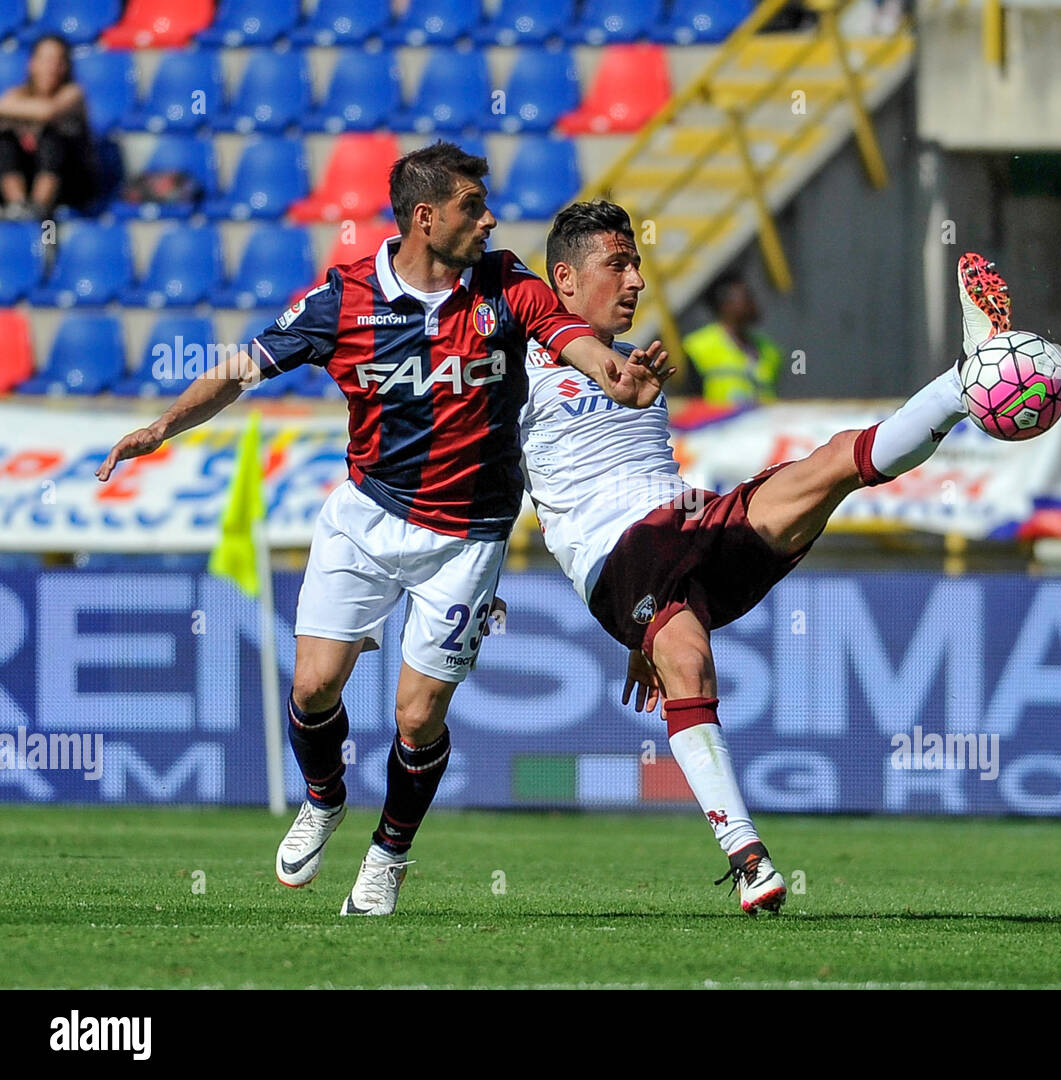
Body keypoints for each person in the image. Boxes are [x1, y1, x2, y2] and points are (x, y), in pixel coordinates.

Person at [96, 144, 671, 917]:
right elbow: (242, 367)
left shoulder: (507, 286)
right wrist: (163, 425)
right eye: (474, 205)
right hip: (369, 514)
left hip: (468, 534)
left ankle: (389, 854)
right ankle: (324, 798)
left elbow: (573, 340)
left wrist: (616, 374)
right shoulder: (346, 301)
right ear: (426, 218)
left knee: (416, 714)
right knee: (312, 685)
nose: (491, 217)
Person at [519, 201, 1010, 913]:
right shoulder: (512, 371)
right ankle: (748, 858)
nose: (636, 282)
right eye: (616, 265)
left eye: (637, 263)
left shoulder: (637, 367)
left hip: (686, 527)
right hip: (618, 553)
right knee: (686, 659)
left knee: (840, 459)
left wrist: (645, 619)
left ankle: (969, 378)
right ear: (563, 279)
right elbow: (496, 476)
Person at [0, 34, 95, 219]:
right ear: (32, 64)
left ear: (66, 67)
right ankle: (17, 205)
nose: (51, 68)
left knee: (52, 137)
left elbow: (48, 112)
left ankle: (38, 208)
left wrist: (16, 113)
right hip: (30, 173)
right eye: (45, 60)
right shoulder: (18, 93)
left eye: (58, 61)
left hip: (70, 181)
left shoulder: (72, 93)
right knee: (5, 140)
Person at [681, 272, 783, 406]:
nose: (754, 303)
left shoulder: (770, 349)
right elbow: (688, 401)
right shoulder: (697, 346)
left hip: (764, 424)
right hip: (717, 424)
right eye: (747, 298)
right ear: (725, 305)